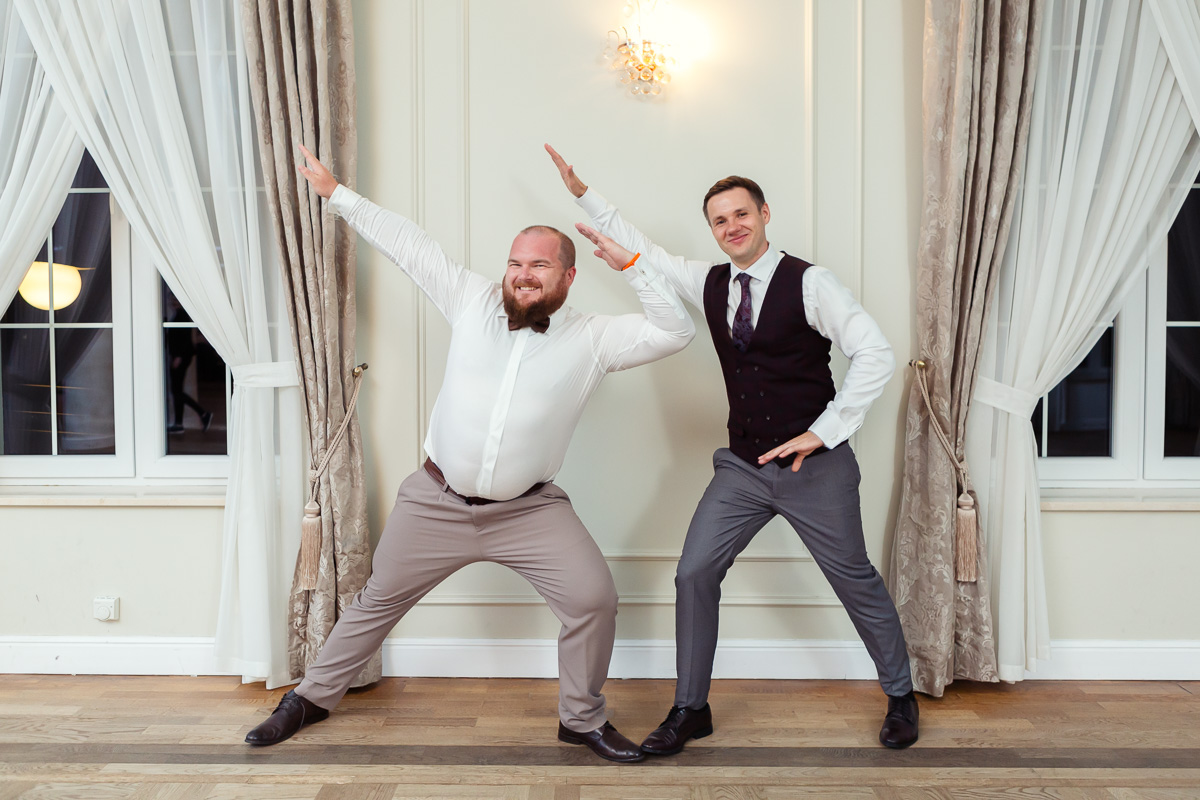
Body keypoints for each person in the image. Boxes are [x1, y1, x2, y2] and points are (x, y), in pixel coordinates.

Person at [243, 144, 694, 763]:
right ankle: (308, 699)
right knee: (377, 599)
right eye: (515, 262)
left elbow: (676, 330)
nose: (523, 273)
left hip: (529, 511)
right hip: (435, 501)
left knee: (594, 599)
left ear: (568, 277)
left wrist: (635, 265)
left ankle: (580, 719)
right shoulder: (471, 299)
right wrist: (336, 194)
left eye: (539, 264)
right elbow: (410, 245)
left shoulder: (595, 339)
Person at [546, 144, 919, 752]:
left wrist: (826, 430)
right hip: (743, 467)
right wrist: (585, 196)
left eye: (741, 214)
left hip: (813, 468)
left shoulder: (811, 283)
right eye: (720, 220)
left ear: (764, 214)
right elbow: (649, 253)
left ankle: (901, 694)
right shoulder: (711, 282)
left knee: (853, 578)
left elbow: (875, 351)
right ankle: (691, 709)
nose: (732, 226)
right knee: (693, 573)